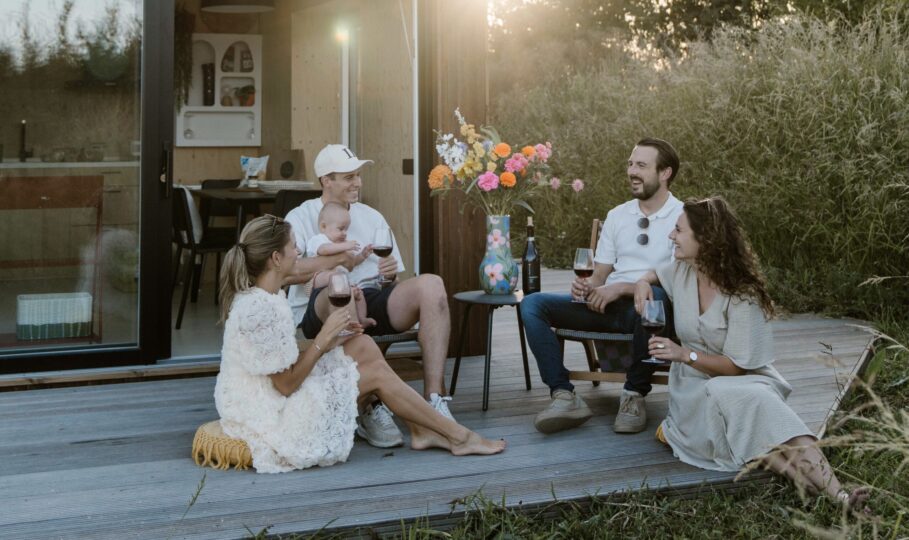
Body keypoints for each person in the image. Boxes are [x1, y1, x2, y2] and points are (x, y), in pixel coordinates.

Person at [213, 215, 506, 474]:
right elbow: (286, 385)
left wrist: (332, 338)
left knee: (363, 346)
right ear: (276, 259)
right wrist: (323, 339)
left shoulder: (268, 295)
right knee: (374, 372)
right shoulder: (259, 309)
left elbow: (279, 362)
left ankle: (421, 429)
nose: (299, 250)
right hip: (270, 415)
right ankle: (458, 437)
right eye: (293, 246)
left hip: (274, 394)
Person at [634, 196, 869, 509]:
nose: (671, 236)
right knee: (755, 417)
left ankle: (838, 496)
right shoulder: (681, 271)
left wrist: (683, 354)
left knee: (747, 403)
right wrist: (640, 282)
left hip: (740, 380)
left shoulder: (742, 294)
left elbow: (739, 368)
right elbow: (653, 273)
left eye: (678, 230)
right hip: (691, 396)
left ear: (705, 240)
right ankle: (834, 496)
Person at [285, 144, 456, 449]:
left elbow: (392, 276)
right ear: (326, 180)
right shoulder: (300, 217)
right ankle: (368, 405)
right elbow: (290, 272)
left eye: (359, 176)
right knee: (341, 289)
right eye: (348, 177)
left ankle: (434, 400)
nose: (358, 183)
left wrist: (390, 274)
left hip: (371, 299)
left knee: (431, 286)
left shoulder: (371, 216)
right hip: (320, 305)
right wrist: (338, 265)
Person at [520, 138, 684, 434]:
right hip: (606, 307)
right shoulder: (618, 215)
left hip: (653, 313)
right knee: (532, 304)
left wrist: (620, 288)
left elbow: (676, 276)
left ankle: (634, 395)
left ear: (665, 173)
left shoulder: (683, 217)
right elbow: (600, 274)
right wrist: (587, 286)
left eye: (641, 166)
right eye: (630, 164)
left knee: (654, 298)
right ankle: (564, 394)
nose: (632, 171)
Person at [306, 202, 376, 330]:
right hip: (318, 279)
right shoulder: (319, 240)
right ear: (323, 227)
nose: (344, 233)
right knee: (335, 276)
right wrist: (345, 246)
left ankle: (362, 318)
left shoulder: (340, 244)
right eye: (340, 229)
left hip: (340, 284)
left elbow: (352, 263)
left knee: (359, 293)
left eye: (346, 229)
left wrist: (363, 255)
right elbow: (324, 250)